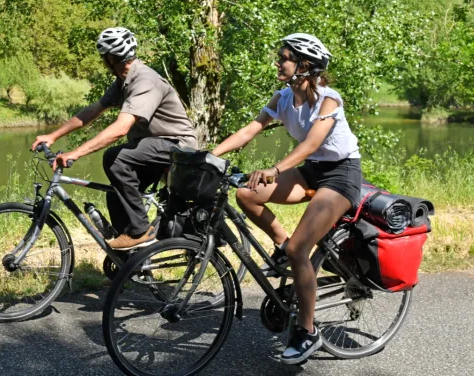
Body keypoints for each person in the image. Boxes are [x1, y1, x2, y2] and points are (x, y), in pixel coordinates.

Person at [211, 33, 362, 365]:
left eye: (284, 58)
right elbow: (250, 130)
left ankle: (307, 332)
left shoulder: (328, 100)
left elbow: (310, 144)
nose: (278, 62)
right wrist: (209, 155)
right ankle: (282, 244)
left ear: (304, 66)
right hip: (311, 172)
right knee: (247, 194)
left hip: (340, 175)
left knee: (300, 249)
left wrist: (275, 169)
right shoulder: (283, 97)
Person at [31, 27, 198, 251]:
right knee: (115, 196)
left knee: (115, 158)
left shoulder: (145, 80)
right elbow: (92, 111)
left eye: (104, 59)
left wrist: (76, 153)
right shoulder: (123, 82)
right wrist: (53, 135)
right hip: (152, 147)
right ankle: (129, 264)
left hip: (177, 146)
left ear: (110, 58)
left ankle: (140, 231)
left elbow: (121, 128)